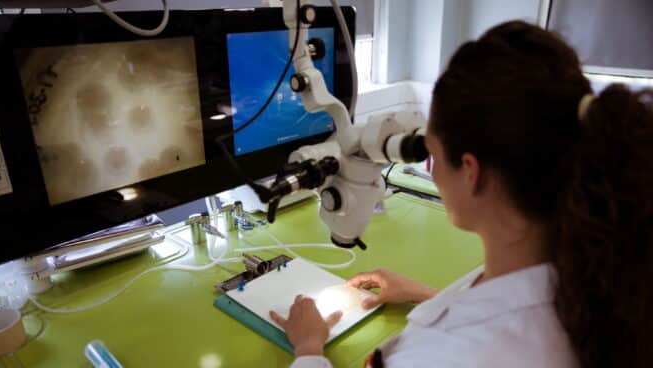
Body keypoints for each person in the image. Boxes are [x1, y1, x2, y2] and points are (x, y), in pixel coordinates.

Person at [270, 20, 653, 367]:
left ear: (471, 172)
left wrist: (308, 350)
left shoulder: (448, 355)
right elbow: (514, 311)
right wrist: (426, 295)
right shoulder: (589, 271)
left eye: (431, 154)